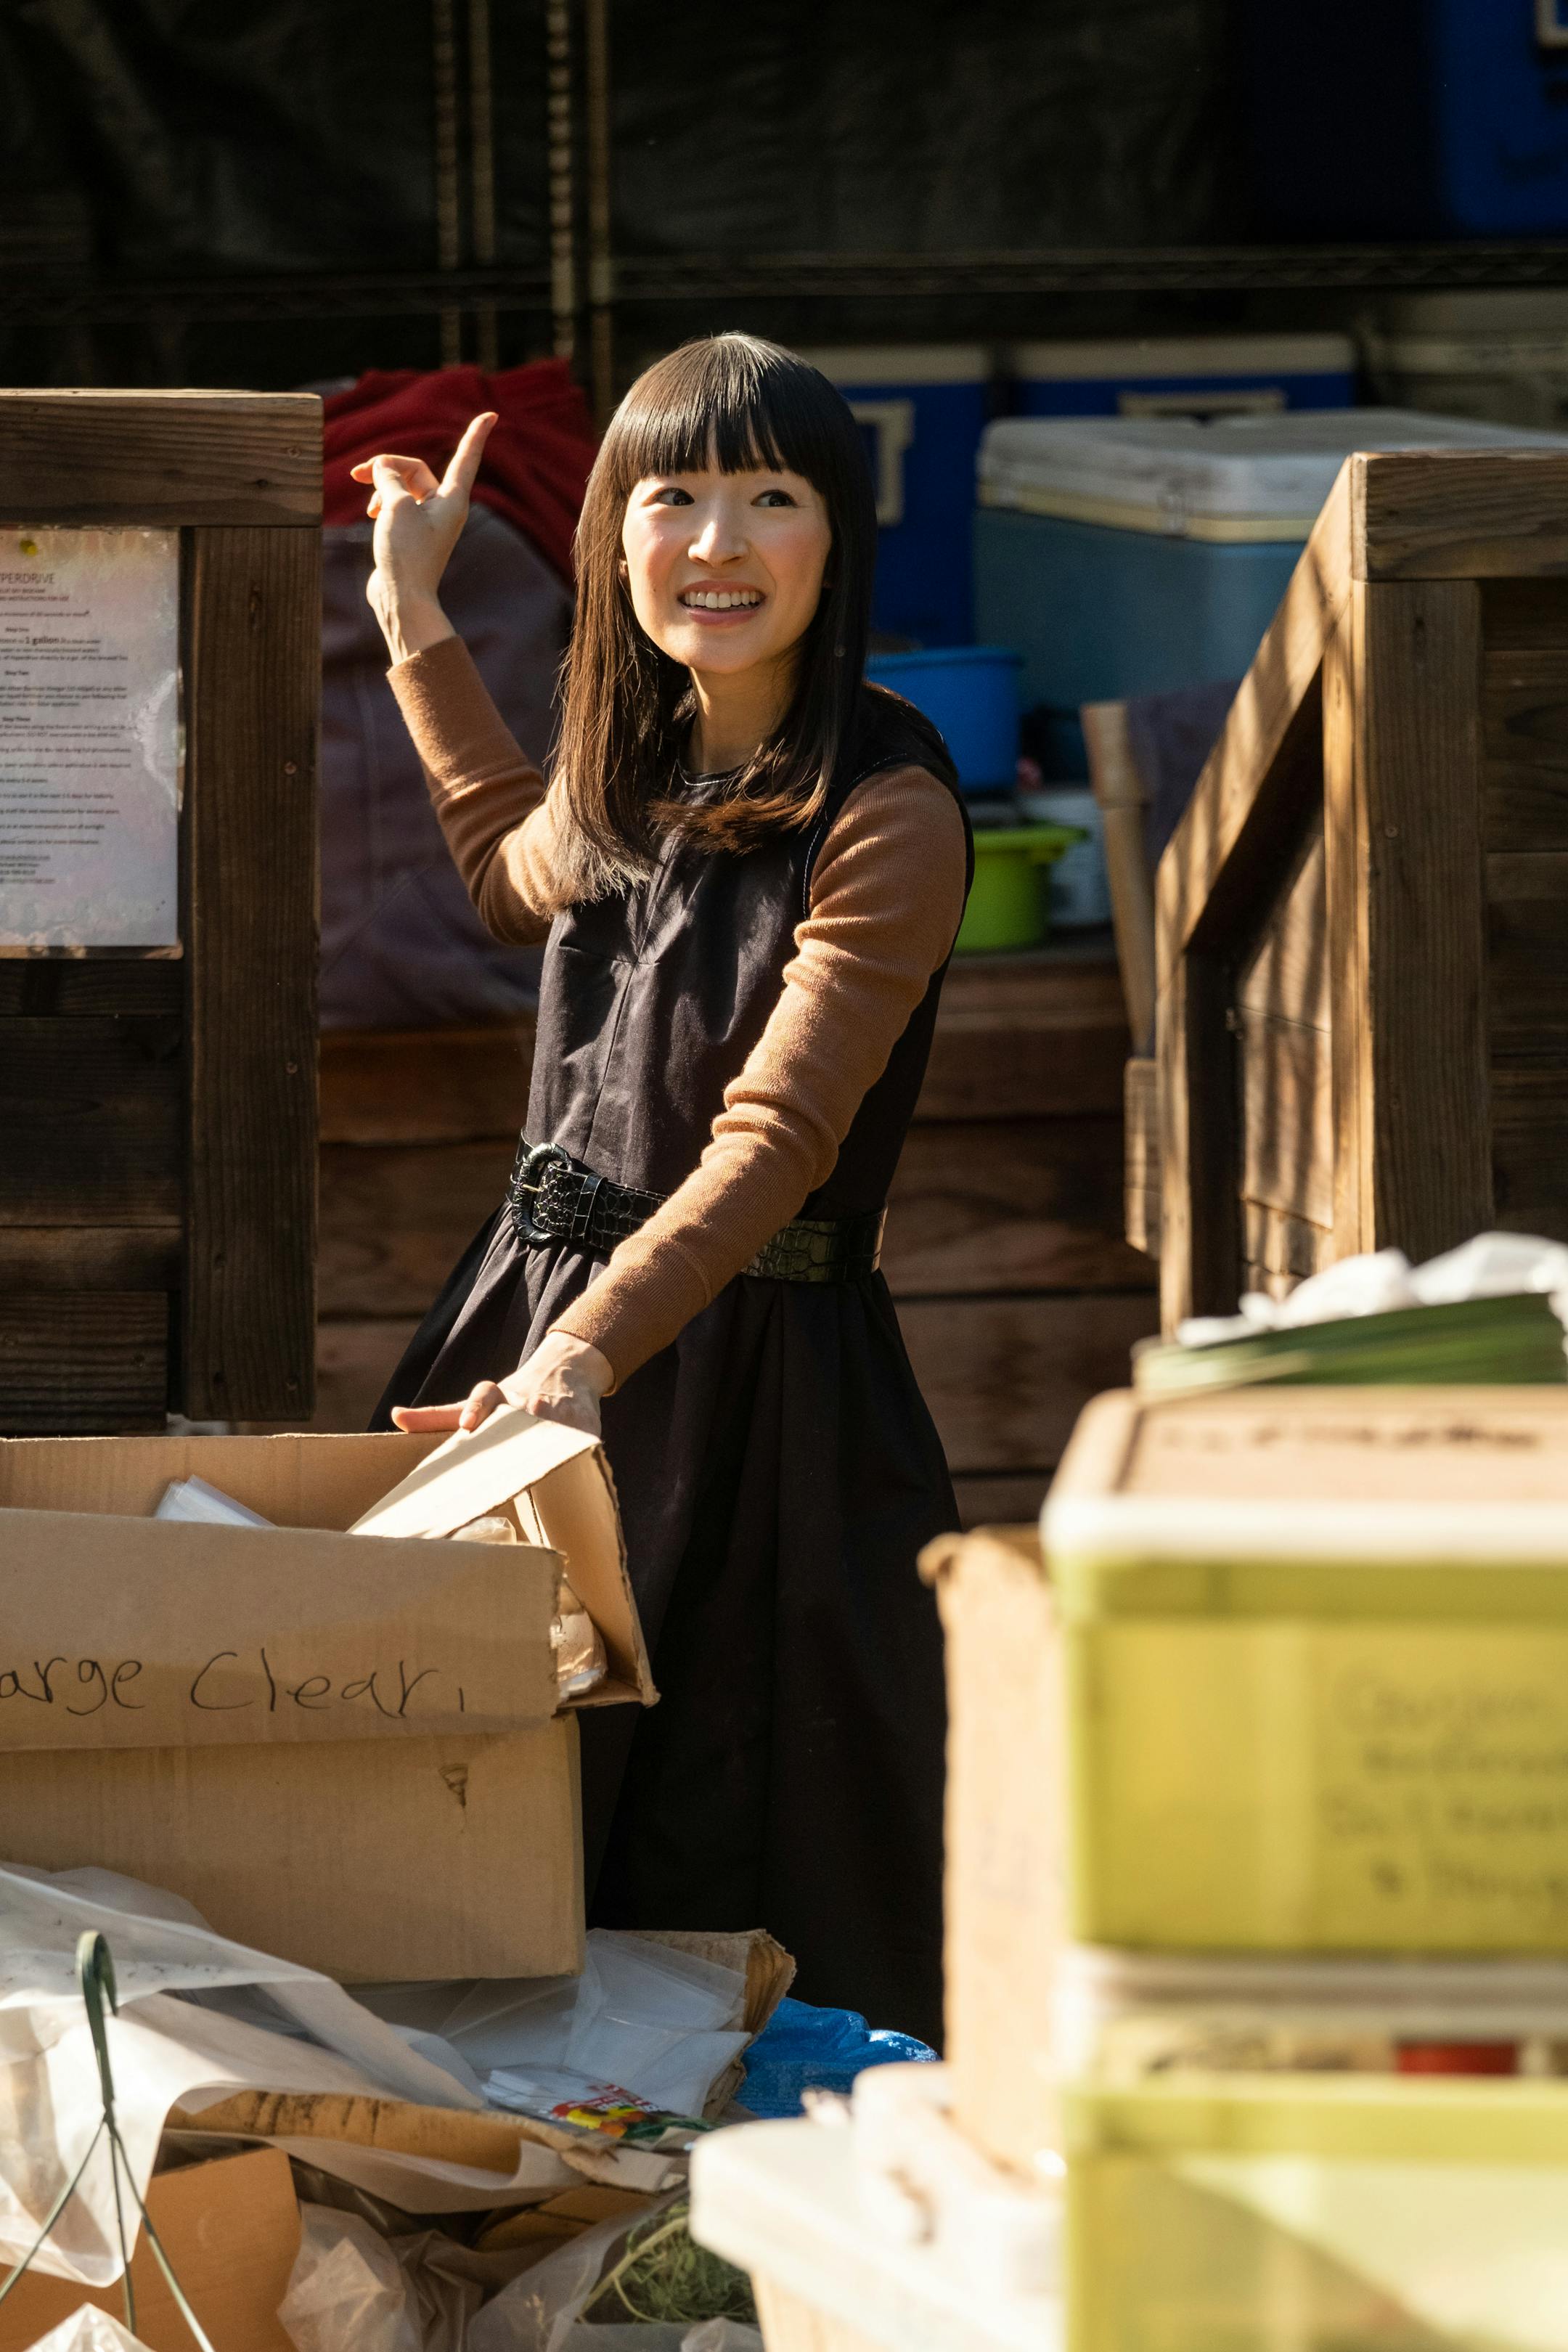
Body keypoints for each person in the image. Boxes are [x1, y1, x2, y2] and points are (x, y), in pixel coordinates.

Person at [354, 332, 971, 2044]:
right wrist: (413, 613)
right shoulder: (637, 760)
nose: (717, 541)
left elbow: (771, 1144)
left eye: (769, 498)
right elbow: (503, 866)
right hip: (540, 1340)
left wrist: (584, 1363)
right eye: (673, 496)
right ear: (613, 535)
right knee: (475, 1838)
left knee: (753, 1855)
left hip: (753, 1395)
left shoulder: (891, 805)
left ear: (836, 539)